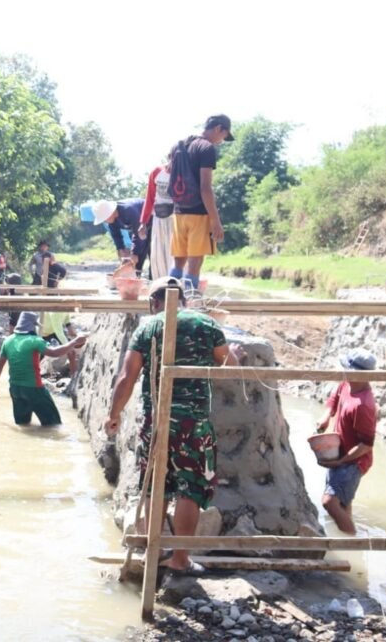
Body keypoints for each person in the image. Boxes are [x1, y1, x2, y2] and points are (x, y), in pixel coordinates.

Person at [105, 276, 244, 575]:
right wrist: (236, 355)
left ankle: (153, 551)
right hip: (193, 423)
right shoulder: (206, 324)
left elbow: (126, 378)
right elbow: (229, 367)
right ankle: (180, 558)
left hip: (156, 421)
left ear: (153, 302)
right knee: (190, 488)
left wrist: (113, 414)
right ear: (184, 299)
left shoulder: (148, 327)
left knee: (156, 485)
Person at [314, 349, 378, 536]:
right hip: (340, 451)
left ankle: (353, 539)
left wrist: (340, 462)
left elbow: (366, 445)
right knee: (343, 503)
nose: (343, 372)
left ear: (357, 374)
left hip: (355, 461)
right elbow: (335, 398)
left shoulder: (364, 404)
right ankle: (348, 539)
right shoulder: (347, 384)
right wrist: (326, 416)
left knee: (329, 502)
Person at [167, 115, 234, 292]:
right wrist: (215, 220)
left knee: (178, 261)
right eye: (224, 135)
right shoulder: (206, 148)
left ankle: (167, 298)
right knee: (195, 262)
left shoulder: (178, 145)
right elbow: (205, 188)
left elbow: (169, 171)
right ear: (219, 129)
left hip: (179, 211)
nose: (221, 141)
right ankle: (190, 299)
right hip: (198, 213)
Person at [0, 311, 87, 426]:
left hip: (15, 389)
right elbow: (54, 352)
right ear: (32, 326)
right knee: (53, 425)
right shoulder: (35, 340)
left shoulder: (8, 341)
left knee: (23, 425)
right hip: (34, 389)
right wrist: (75, 342)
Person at [92, 197, 149, 274]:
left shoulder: (129, 210)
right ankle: (135, 275)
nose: (105, 221)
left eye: (105, 218)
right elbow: (116, 235)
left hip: (150, 220)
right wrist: (120, 249)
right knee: (135, 259)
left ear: (110, 213)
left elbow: (139, 233)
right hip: (138, 227)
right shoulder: (112, 221)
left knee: (147, 250)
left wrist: (135, 253)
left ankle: (153, 276)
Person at [138, 165, 174, 280]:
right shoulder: (156, 172)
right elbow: (149, 198)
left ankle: (175, 283)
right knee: (157, 255)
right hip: (158, 219)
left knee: (173, 254)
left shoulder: (182, 173)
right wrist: (143, 222)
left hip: (175, 219)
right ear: (169, 157)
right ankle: (160, 283)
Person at [40, 311, 80, 378]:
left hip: (53, 331)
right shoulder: (55, 312)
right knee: (40, 355)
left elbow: (66, 315)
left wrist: (69, 326)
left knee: (70, 350)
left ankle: (73, 372)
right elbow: (59, 333)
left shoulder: (65, 308)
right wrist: (69, 346)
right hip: (43, 334)